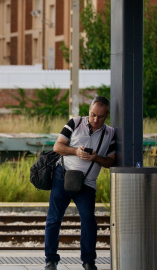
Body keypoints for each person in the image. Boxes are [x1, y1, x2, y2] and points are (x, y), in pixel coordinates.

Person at [44, 96, 116, 270]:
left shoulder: (110, 133)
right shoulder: (74, 123)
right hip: (64, 176)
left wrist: (96, 157)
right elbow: (57, 147)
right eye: (92, 115)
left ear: (106, 115)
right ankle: (51, 260)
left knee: (89, 221)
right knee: (54, 219)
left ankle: (88, 261)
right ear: (89, 111)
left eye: (100, 116)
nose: (95, 120)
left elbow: (111, 161)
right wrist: (76, 151)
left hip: (88, 183)